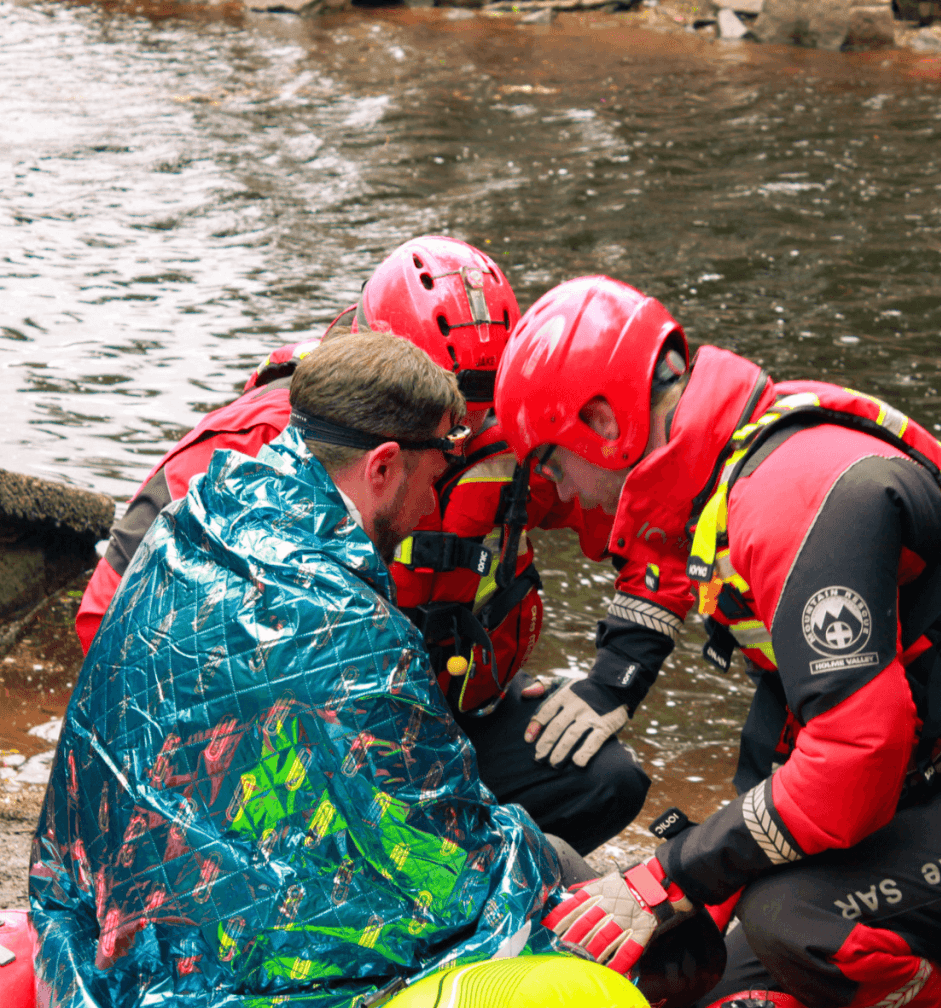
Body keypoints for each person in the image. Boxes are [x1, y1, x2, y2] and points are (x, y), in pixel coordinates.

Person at [31, 332, 692, 1008]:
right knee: (587, 906)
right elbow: (452, 862)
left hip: (97, 928)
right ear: (382, 466)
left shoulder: (191, 522)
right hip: (218, 977)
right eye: (435, 480)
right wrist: (573, 871)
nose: (435, 507)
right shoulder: (348, 625)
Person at [493, 274, 941, 1008]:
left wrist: (670, 875)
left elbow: (855, 762)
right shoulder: (745, 472)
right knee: (720, 967)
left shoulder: (786, 497)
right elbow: (792, 741)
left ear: (602, 423)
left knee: (792, 923)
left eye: (552, 464)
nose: (568, 495)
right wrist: (697, 903)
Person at [75, 237, 659, 856]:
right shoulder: (250, 445)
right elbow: (109, 628)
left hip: (438, 711)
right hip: (291, 740)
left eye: (479, 415)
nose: (462, 438)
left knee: (607, 782)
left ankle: (447, 885)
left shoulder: (514, 443)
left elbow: (650, 515)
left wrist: (613, 678)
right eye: (444, 419)